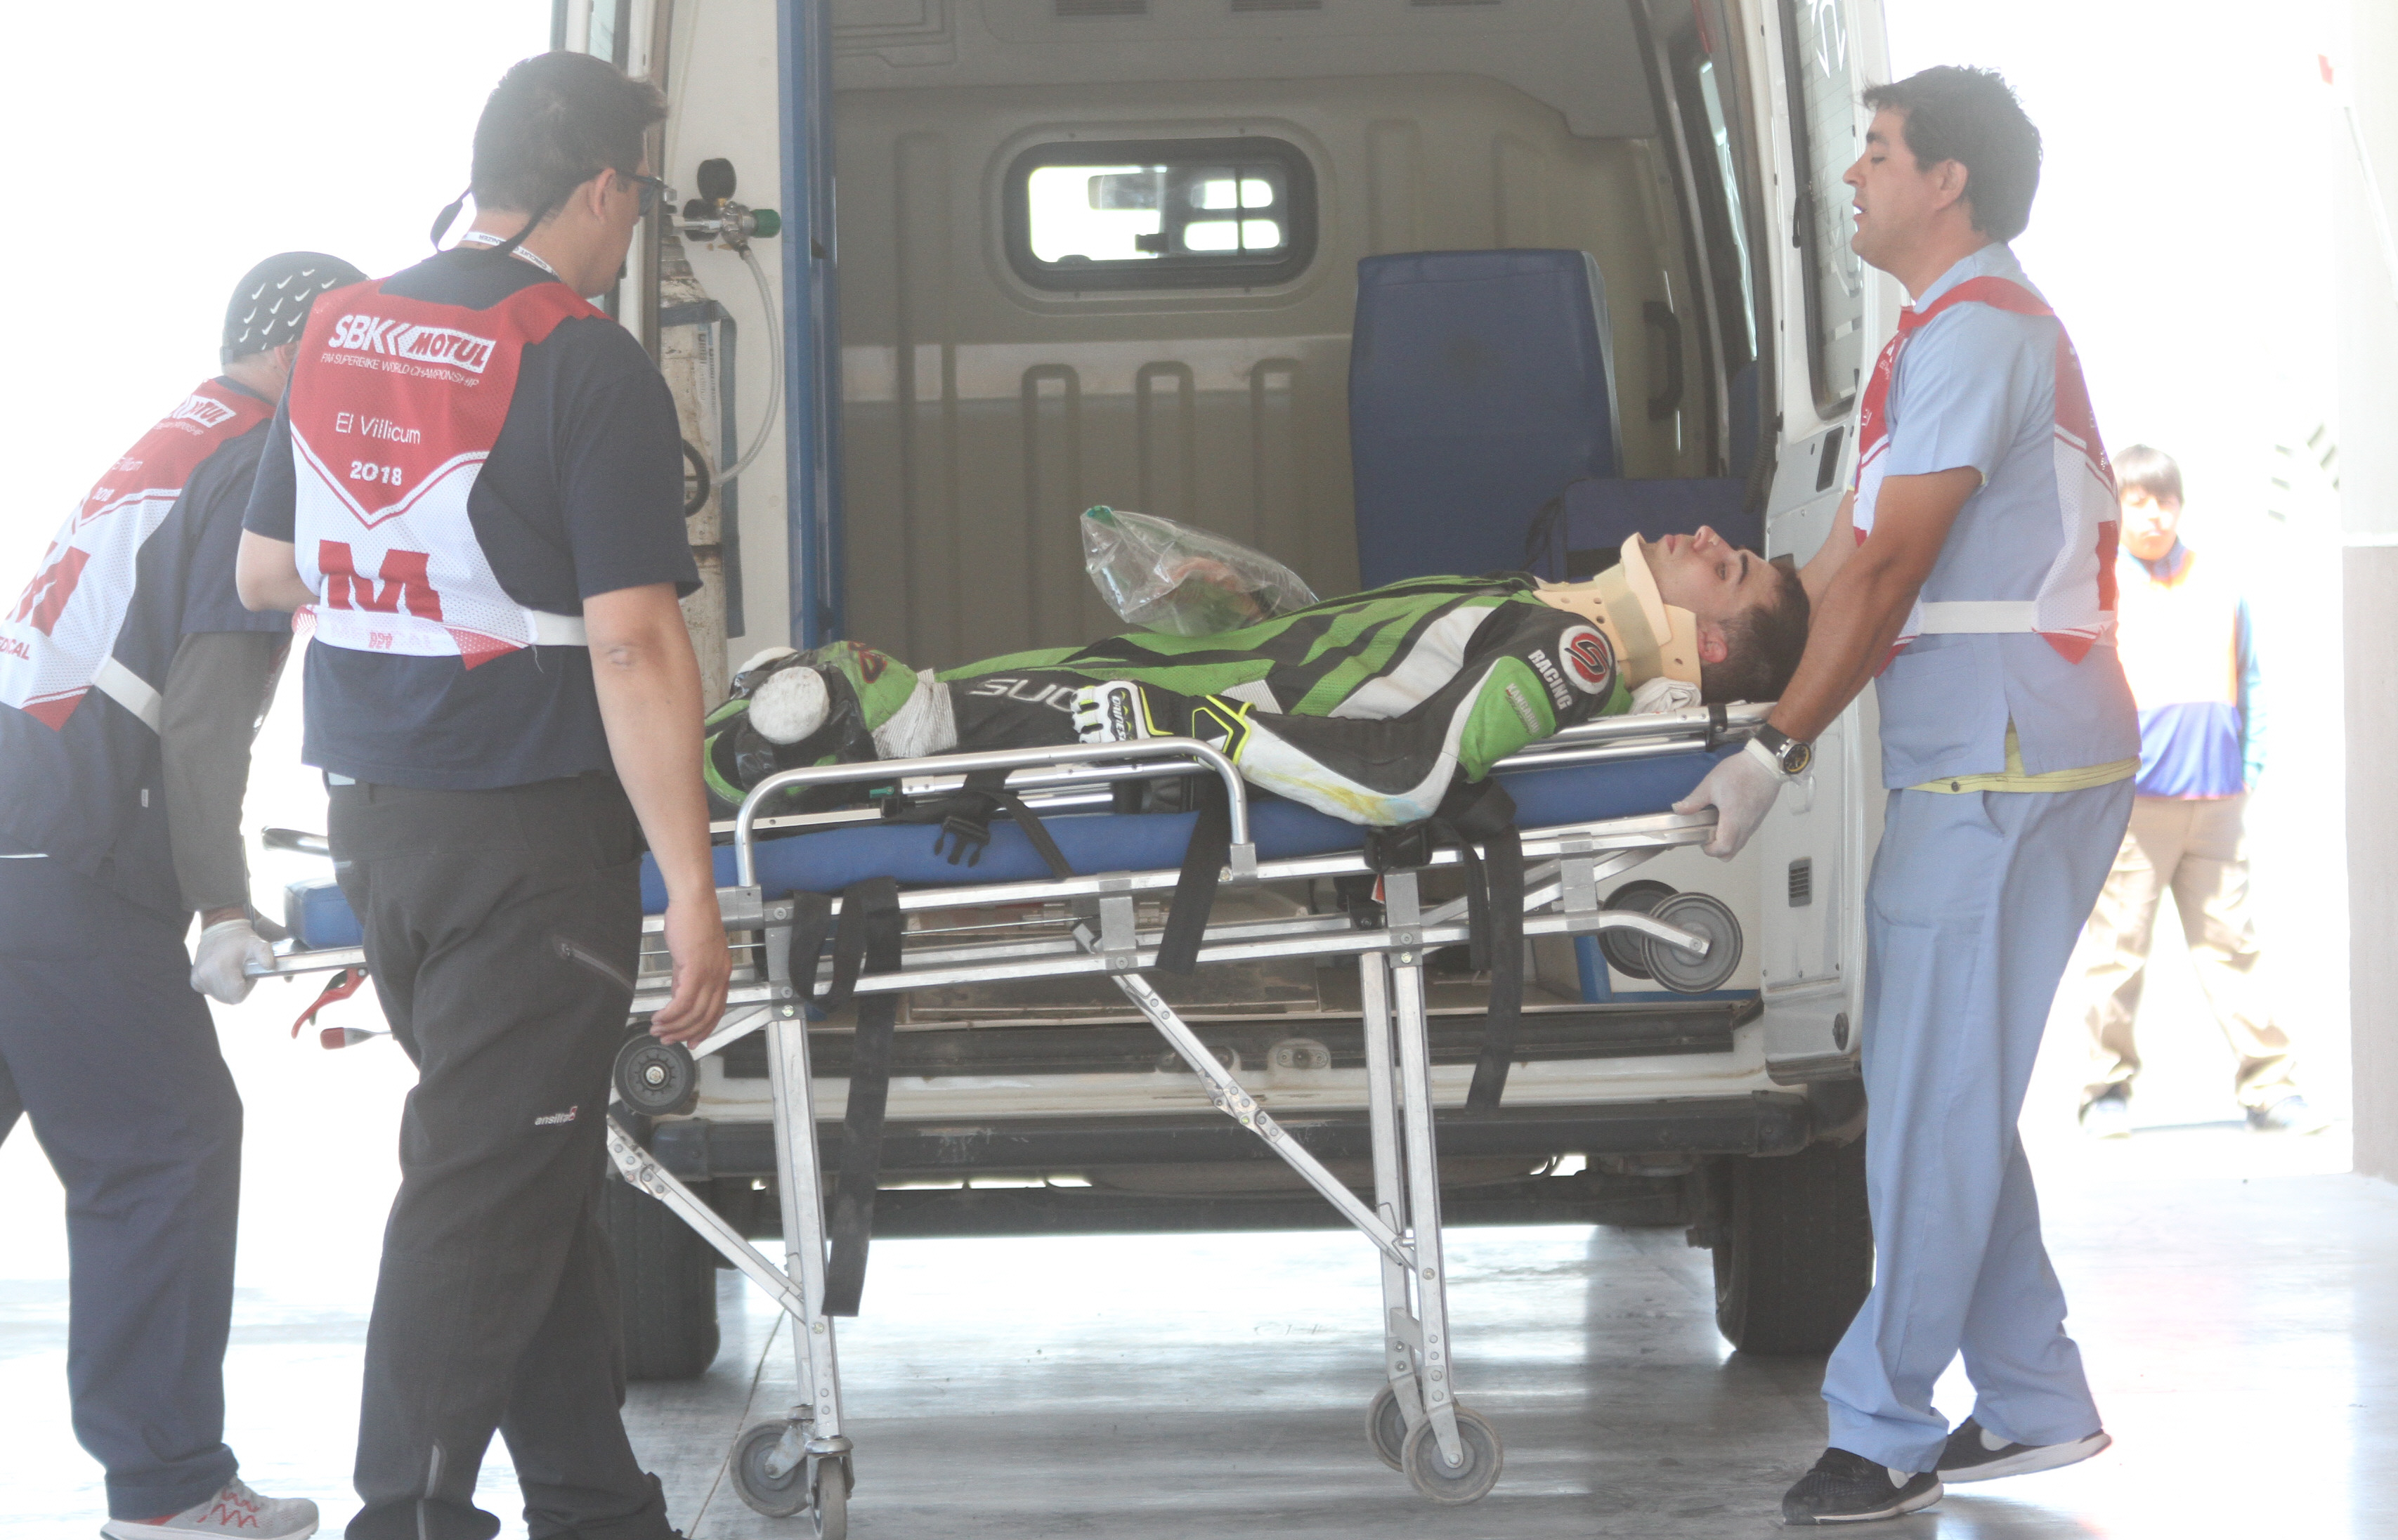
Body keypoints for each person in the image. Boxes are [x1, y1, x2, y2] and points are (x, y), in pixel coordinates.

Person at [235, 53, 729, 1540]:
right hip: (530, 838)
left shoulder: (342, 328)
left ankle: (595, 1503)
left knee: (528, 1162)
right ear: (603, 187)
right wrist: (691, 884)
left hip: (384, 822)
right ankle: (408, 1513)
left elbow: (266, 571)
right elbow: (635, 643)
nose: (632, 227)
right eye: (637, 197)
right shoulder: (584, 360)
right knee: (482, 1186)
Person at [1674, 67, 2139, 1523]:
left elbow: (1883, 573)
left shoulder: (1980, 332)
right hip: (1977, 756)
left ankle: (1878, 1430)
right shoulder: (1936, 336)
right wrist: (1708, 639)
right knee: (1945, 1086)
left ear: (1947, 182)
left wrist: (1772, 751)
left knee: (1933, 1101)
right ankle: (2033, 1396)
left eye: (1875, 153)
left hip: (2009, 761)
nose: (1851, 176)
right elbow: (1833, 575)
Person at [1, 252, 364, 1540]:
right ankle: (166, 1494)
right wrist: (221, 903)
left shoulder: (176, 437)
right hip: (72, 849)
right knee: (167, 1144)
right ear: (302, 352)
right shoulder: (259, 460)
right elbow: (204, 720)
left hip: (19, 817)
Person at [703, 528, 1811, 826]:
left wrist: (1201, 728)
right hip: (1159, 679)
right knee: (839, 698)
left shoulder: (1570, 653)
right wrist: (1242, 614)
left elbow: (1403, 779)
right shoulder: (1534, 604)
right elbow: (1357, 673)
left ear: (1705, 646)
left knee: (846, 705)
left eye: (1730, 570)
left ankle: (726, 784)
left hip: (1156, 720)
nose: (1710, 538)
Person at [2064, 446, 2326, 1137]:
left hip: (2216, 805)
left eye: (2166, 499)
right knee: (2117, 954)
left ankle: (2272, 1088)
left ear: (2180, 504)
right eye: (2139, 501)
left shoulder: (2219, 580)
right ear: (2117, 508)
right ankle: (2104, 1089)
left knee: (2232, 949)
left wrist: (2251, 768)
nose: (2154, 514)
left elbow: (2252, 677)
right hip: (2134, 808)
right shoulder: (2096, 587)